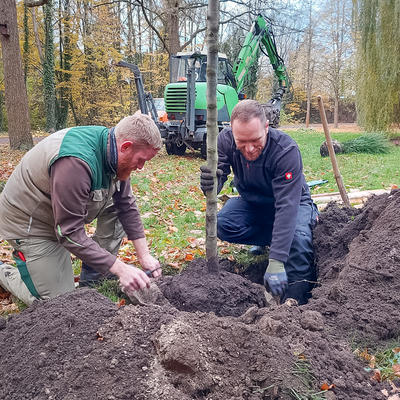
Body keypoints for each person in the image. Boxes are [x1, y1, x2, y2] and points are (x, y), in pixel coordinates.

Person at [0, 113, 162, 305]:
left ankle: (95, 273)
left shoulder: (114, 152)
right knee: (57, 303)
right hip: (31, 221)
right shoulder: (75, 163)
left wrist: (145, 256)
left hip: (63, 212)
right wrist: (120, 268)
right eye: (141, 160)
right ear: (125, 146)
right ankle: (5, 272)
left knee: (116, 208)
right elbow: (68, 233)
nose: (141, 167)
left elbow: (126, 206)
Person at [200, 100, 318, 305]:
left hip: (293, 203)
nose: (250, 148)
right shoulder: (225, 140)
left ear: (266, 127)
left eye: (255, 140)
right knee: (223, 224)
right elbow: (219, 174)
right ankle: (277, 240)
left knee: (298, 240)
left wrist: (277, 260)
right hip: (253, 203)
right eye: (242, 142)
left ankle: (295, 300)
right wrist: (210, 184)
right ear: (232, 131)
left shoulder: (285, 150)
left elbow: (286, 206)